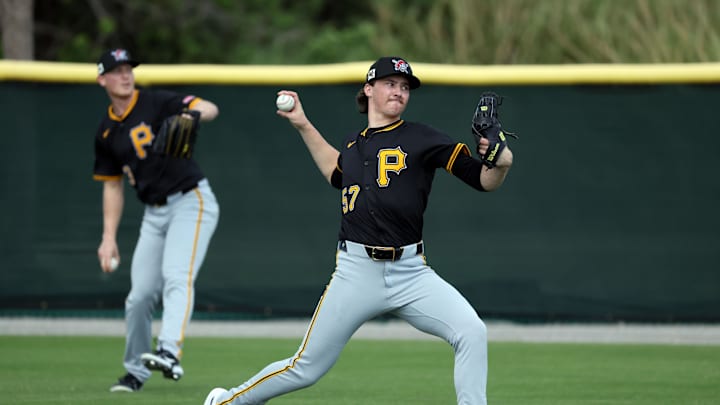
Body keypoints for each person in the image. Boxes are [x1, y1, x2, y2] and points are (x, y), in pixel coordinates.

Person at [203, 56, 513, 405]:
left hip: (411, 272)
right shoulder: (353, 145)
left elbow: (483, 180)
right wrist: (303, 124)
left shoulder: (423, 137)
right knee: (306, 367)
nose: (399, 91)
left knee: (471, 332)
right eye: (390, 84)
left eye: (405, 86)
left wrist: (501, 162)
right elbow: (335, 173)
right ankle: (228, 401)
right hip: (356, 271)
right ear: (368, 90)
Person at [93, 48, 221, 393]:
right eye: (116, 70)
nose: (125, 75)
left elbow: (210, 108)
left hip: (191, 201)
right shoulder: (107, 132)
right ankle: (135, 371)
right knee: (139, 297)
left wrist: (193, 116)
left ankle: (168, 351)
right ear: (102, 79)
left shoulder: (157, 102)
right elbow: (112, 187)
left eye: (128, 69)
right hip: (154, 212)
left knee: (177, 276)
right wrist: (108, 237)